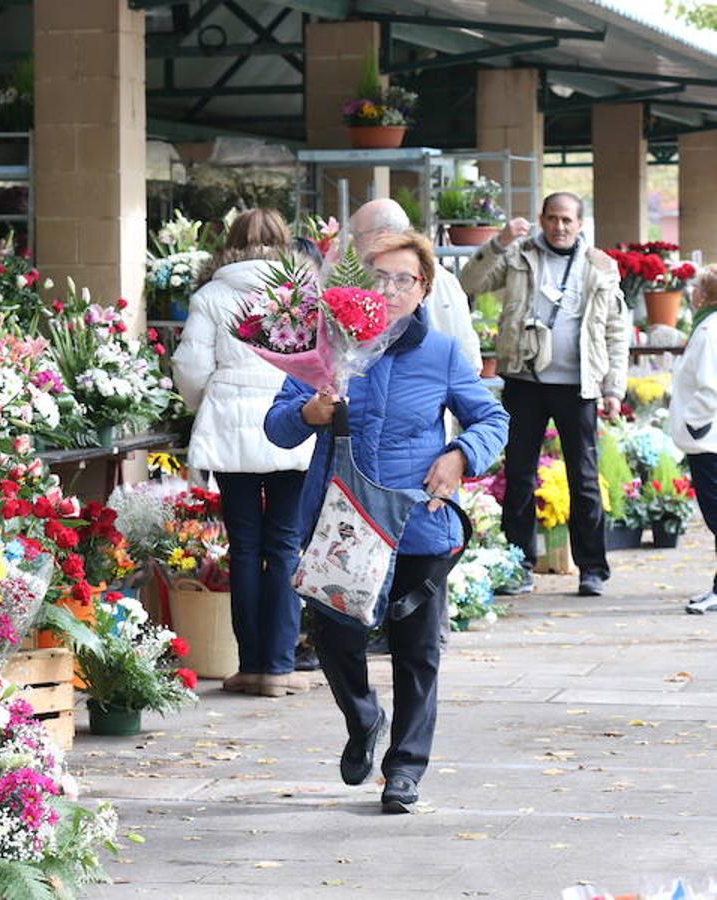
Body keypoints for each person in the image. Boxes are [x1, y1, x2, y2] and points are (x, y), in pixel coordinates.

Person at [267, 230, 508, 812]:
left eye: (406, 279)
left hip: (416, 521)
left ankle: (404, 771)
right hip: (341, 522)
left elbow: (493, 420)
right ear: (358, 286)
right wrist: (308, 411)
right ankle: (363, 716)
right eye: (381, 277)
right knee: (333, 636)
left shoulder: (444, 353)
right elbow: (277, 426)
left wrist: (460, 455)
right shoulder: (326, 348)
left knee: (417, 651)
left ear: (424, 289)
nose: (392, 289)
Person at [172, 208, 314, 697]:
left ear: (229, 243)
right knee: (285, 545)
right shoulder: (301, 292)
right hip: (293, 428)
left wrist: (209, 403)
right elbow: (320, 362)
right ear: (285, 242)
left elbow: (190, 368)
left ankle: (250, 666)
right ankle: (279, 666)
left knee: (245, 548)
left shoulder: (211, 294)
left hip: (231, 432)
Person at [459, 192, 629, 597]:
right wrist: (497, 243)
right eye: (552, 218)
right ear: (541, 219)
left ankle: (592, 569)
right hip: (525, 382)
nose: (560, 226)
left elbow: (616, 332)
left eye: (567, 219)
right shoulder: (518, 256)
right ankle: (518, 565)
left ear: (580, 223)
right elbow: (470, 282)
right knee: (518, 475)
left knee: (584, 479)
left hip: (579, 387)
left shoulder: (600, 267)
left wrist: (613, 389)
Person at [350, 198, 481, 374]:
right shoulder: (371, 277)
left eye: (358, 236)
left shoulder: (438, 279)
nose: (354, 244)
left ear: (383, 233)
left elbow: (467, 357)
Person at [669, 265, 717, 614]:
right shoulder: (707, 324)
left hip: (709, 440)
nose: (692, 293)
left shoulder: (712, 328)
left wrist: (693, 424)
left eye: (697, 287)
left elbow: (711, 387)